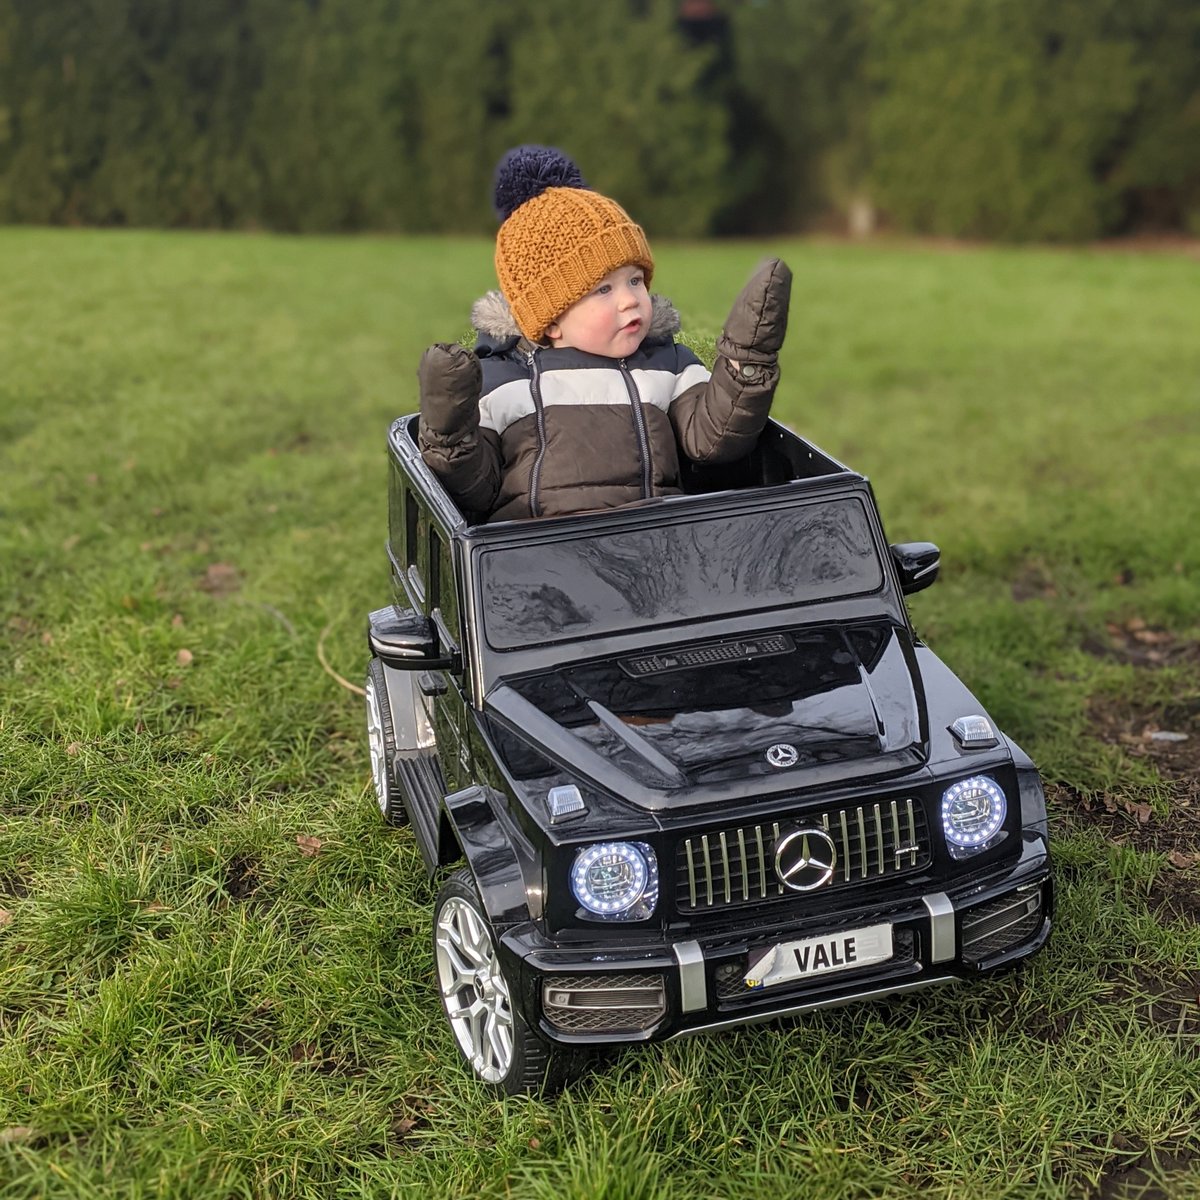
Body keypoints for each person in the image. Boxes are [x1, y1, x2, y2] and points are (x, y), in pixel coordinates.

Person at [417, 145, 791, 522]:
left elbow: (715, 438)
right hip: (534, 557)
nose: (631, 300)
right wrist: (450, 432)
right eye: (603, 289)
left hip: (658, 544)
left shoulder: (667, 363)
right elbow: (475, 489)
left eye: (635, 280)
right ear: (551, 319)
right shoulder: (503, 381)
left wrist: (747, 358)